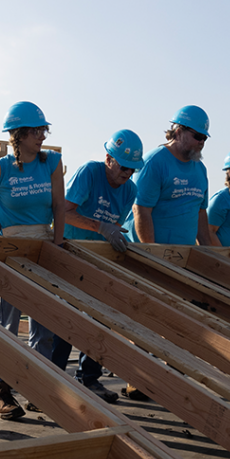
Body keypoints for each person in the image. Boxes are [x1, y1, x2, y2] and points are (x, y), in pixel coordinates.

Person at [0, 101, 65, 420]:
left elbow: (58, 206)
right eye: (35, 131)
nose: (42, 136)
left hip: (42, 246)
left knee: (44, 321)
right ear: (19, 134)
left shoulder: (51, 162)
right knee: (7, 322)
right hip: (10, 247)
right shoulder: (0, 168)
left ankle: (39, 387)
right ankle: (1, 390)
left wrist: (57, 246)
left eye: (43, 130)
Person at [55, 129, 143, 403]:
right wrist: (99, 226)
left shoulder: (131, 189)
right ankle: (55, 379)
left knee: (100, 320)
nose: (127, 173)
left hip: (99, 260)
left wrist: (114, 234)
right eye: (123, 166)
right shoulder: (90, 173)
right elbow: (65, 213)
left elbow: (117, 224)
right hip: (72, 253)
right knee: (67, 320)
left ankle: (89, 378)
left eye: (132, 169)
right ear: (108, 158)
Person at [124, 105, 218, 247]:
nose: (201, 142)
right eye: (198, 136)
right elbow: (141, 210)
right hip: (145, 253)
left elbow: (200, 212)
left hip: (183, 254)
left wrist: (208, 251)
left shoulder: (200, 169)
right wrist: (153, 252)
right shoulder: (154, 163)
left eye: (204, 138)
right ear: (179, 132)